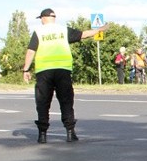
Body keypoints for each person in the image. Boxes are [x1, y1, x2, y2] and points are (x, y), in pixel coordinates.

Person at [22, 8, 109, 144]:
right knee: (66, 101)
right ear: (53, 18)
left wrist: (26, 70)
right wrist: (99, 30)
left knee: (43, 102)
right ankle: (70, 132)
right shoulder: (63, 30)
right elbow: (83, 34)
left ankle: (42, 134)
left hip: (44, 71)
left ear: (43, 18)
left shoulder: (39, 31)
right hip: (63, 70)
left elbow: (31, 51)